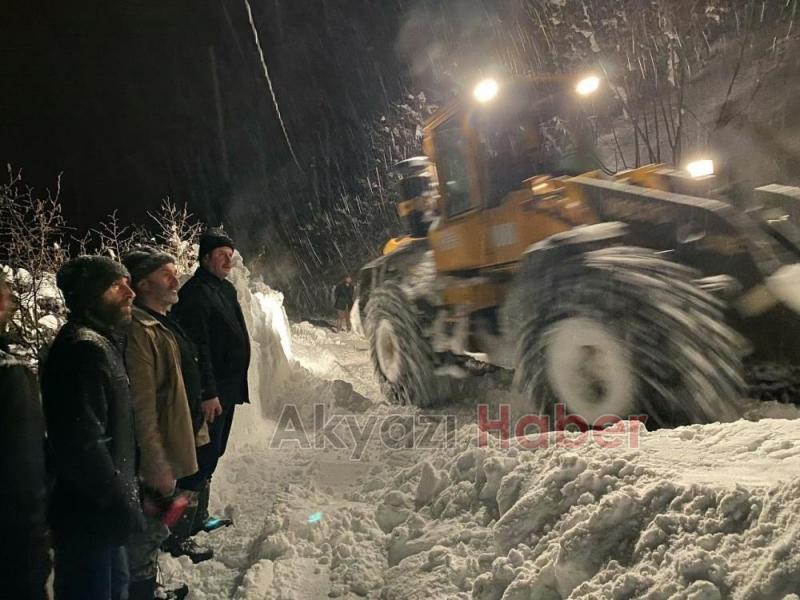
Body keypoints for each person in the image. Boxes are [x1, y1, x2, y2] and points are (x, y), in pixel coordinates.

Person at [42, 256, 143, 600]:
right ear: (89, 294)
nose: (130, 292)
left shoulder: (100, 342)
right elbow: (82, 443)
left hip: (104, 518)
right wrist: (120, 502)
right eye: (117, 285)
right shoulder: (82, 349)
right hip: (88, 519)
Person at [122, 248, 213, 600]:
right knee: (147, 528)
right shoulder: (139, 330)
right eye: (166, 274)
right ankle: (142, 591)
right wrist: (156, 459)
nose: (176, 279)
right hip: (157, 449)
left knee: (159, 519)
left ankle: (148, 585)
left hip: (176, 435)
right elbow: (143, 404)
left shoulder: (161, 320)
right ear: (143, 284)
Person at [172, 228, 250, 534]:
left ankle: (198, 516)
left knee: (213, 453)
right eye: (222, 256)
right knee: (198, 460)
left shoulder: (223, 289)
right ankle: (179, 529)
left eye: (230, 256)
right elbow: (197, 348)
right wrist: (208, 392)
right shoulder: (195, 294)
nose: (228, 262)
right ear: (205, 257)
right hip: (211, 394)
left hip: (227, 390)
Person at [0, 271, 49, 599]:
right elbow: (21, 460)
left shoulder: (10, 357)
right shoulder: (8, 368)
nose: (8, 296)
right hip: (14, 534)